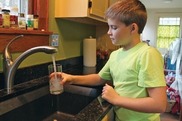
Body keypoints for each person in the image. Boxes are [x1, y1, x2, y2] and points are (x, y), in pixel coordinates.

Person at [50, 0, 167, 120]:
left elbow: (159, 104)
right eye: (109, 27)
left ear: (133, 28)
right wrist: (71, 78)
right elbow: (100, 78)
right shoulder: (115, 54)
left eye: (114, 27)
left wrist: (117, 99)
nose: (108, 32)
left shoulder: (147, 54)